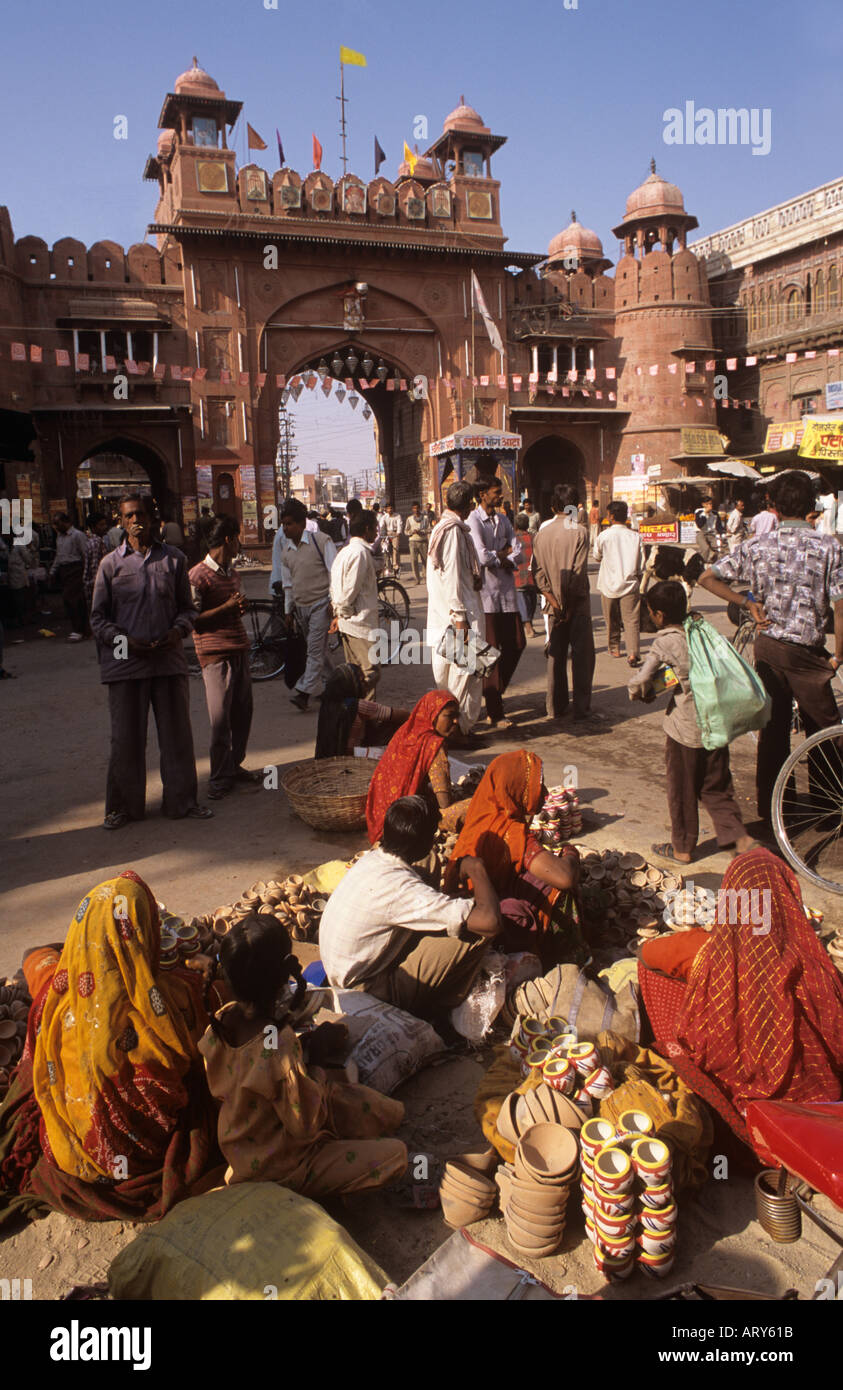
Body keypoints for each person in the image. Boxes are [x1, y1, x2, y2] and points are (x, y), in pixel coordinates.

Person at [0, 871, 218, 1223]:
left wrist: (84, 945)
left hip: (73, 1157)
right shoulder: (171, 1002)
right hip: (145, 1156)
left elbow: (31, 954)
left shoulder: (52, 1004)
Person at [639, 848, 843, 1143]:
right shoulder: (819, 968)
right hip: (820, 1109)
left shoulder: (707, 951)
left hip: (749, 1110)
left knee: (666, 975)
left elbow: (645, 955)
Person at [199, 916, 407, 1196]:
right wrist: (318, 1058)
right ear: (285, 973)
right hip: (284, 1167)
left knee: (366, 1105)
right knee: (396, 1154)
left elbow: (248, 1077)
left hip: (242, 1150)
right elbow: (305, 1125)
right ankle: (302, 1192)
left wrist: (302, 1053)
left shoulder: (220, 1023)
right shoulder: (278, 1046)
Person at [697, 469, 843, 830]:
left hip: (769, 648)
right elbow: (841, 605)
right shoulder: (830, 547)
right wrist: (839, 654)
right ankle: (830, 809)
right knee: (824, 732)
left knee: (773, 733)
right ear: (812, 507)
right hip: (810, 654)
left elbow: (706, 577)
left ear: (774, 508)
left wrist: (746, 603)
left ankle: (775, 812)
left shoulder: (755, 546)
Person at [90, 492, 212, 828]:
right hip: (125, 665)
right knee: (125, 738)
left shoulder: (173, 560)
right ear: (121, 520)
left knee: (177, 736)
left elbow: (188, 609)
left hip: (167, 661)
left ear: (153, 517)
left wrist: (176, 631)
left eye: (141, 514)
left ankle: (183, 801)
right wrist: (124, 640)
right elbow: (97, 619)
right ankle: (123, 808)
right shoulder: (110, 565)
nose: (135, 521)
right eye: (129, 516)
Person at [320, 795, 501, 1019]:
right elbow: (490, 922)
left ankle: (431, 931)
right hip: (364, 988)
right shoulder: (401, 888)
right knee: (476, 932)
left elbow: (425, 863)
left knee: (430, 862)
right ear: (422, 840)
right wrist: (477, 869)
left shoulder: (374, 859)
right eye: (432, 834)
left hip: (340, 968)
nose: (434, 841)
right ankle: (444, 1005)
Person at [628, 580, 756, 864]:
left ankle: (683, 848)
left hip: (684, 730)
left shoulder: (666, 642)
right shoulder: (700, 631)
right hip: (716, 723)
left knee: (682, 789)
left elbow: (642, 680)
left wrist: (635, 691)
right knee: (717, 786)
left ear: (659, 614)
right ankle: (739, 840)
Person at [444, 750, 585, 970]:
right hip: (491, 922)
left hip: (468, 912)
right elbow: (564, 877)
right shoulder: (509, 831)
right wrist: (570, 854)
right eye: (539, 785)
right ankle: (569, 959)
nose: (545, 792)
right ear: (518, 787)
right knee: (558, 889)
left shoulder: (484, 813)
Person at [189, 516, 261, 800]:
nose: (239, 545)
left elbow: (231, 607)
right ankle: (219, 777)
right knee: (220, 720)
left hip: (239, 649)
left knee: (243, 714)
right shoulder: (197, 575)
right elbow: (192, 619)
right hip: (215, 656)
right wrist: (227, 607)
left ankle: (234, 765)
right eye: (238, 539)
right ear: (228, 539)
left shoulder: (233, 573)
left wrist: (236, 608)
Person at [427, 480, 486, 735]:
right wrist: (460, 618)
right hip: (457, 617)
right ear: (469, 505)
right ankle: (454, 731)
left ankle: (457, 729)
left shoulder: (446, 528)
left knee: (465, 675)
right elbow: (451, 576)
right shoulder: (451, 531)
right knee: (463, 676)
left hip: (447, 616)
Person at [532, 483, 595, 722]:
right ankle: (581, 708)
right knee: (582, 657)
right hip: (576, 606)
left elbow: (537, 575)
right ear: (574, 506)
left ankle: (555, 707)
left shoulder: (541, 534)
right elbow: (576, 574)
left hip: (553, 607)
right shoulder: (579, 532)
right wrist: (567, 606)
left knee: (556, 658)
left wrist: (555, 603)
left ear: (552, 506)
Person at [468, 476, 525, 729]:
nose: (500, 496)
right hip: (487, 597)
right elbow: (482, 556)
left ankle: (495, 691)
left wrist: (500, 556)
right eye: (495, 492)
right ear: (483, 494)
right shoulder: (473, 520)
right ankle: (495, 710)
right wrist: (503, 554)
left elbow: (519, 552)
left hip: (507, 594)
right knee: (489, 653)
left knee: (516, 644)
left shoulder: (503, 520)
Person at [366, 691, 461, 843]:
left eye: (458, 716)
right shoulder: (434, 744)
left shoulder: (406, 731)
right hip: (405, 825)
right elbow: (445, 803)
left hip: (380, 820)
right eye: (450, 716)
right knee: (470, 808)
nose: (456, 721)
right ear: (433, 715)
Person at [271, 497, 337, 712]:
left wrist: (334, 601)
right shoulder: (287, 552)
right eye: (283, 524)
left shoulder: (321, 541)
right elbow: (288, 585)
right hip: (301, 607)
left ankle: (304, 693)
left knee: (314, 650)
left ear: (301, 524)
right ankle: (336, 685)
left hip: (321, 604)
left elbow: (333, 573)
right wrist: (288, 611)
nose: (286, 528)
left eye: (289, 524)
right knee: (318, 649)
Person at [329, 509, 380, 699]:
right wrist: (343, 611)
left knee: (356, 674)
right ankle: (364, 720)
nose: (376, 532)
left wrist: (338, 614)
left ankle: (356, 718)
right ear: (366, 529)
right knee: (369, 673)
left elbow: (335, 586)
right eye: (375, 528)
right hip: (359, 624)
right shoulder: (359, 553)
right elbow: (350, 589)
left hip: (348, 622)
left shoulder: (345, 552)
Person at [315, 662, 410, 759]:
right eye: (361, 681)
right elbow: (403, 715)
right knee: (396, 752)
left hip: (328, 756)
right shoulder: (359, 706)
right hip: (351, 755)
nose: (366, 683)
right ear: (350, 685)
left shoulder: (326, 705)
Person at [594, 499, 643, 665]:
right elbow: (640, 565)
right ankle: (633, 653)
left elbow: (597, 556)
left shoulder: (603, 536)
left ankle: (614, 648)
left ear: (611, 516)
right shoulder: (636, 537)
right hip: (629, 584)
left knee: (611, 618)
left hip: (608, 584)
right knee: (631, 620)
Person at [50, 511, 88, 642]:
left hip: (75, 569)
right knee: (73, 601)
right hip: (64, 570)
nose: (56, 526)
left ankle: (79, 630)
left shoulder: (77, 535)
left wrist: (85, 572)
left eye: (58, 523)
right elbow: (59, 555)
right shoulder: (59, 537)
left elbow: (85, 554)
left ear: (66, 522)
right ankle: (82, 629)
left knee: (73, 600)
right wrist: (53, 571)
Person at [513, 512, 540, 635]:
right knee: (531, 599)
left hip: (518, 576)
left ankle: (528, 624)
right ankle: (529, 623)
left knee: (522, 600)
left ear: (516, 526)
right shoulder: (534, 538)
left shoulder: (512, 539)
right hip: (532, 576)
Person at [82, 513, 109, 611]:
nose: (104, 527)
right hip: (96, 587)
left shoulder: (96, 541)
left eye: (105, 524)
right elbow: (95, 569)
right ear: (93, 527)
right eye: (101, 525)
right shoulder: (96, 543)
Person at [405, 502, 430, 584]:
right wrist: (411, 532)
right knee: (414, 560)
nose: (416, 510)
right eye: (414, 508)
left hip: (423, 541)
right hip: (413, 541)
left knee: (425, 560)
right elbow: (406, 531)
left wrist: (422, 531)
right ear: (412, 509)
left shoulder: (425, 518)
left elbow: (429, 529)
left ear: (420, 508)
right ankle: (417, 579)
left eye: (417, 508)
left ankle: (426, 577)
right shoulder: (409, 519)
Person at [384, 503, 402, 576]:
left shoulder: (397, 516)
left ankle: (396, 566)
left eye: (391, 508)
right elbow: (382, 526)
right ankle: (388, 567)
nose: (390, 510)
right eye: (388, 508)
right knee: (386, 551)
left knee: (395, 550)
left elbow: (399, 525)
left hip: (395, 534)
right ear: (386, 509)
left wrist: (398, 533)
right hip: (387, 534)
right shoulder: (384, 517)